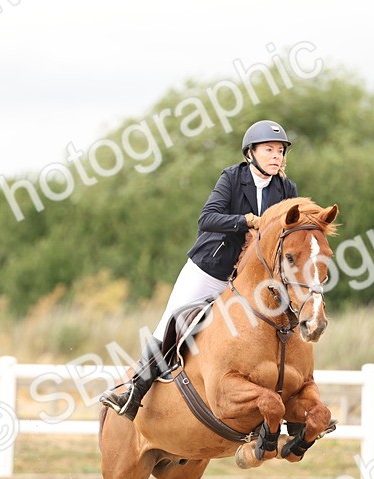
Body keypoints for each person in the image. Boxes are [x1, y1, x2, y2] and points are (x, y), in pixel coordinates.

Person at [100, 119, 298, 420]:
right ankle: (134, 391)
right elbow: (207, 219)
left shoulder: (287, 188)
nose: (276, 156)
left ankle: (294, 401)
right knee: (172, 320)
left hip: (252, 280)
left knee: (286, 320)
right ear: (251, 153)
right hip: (211, 269)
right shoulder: (232, 177)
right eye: (269, 149)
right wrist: (245, 221)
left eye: (280, 151)